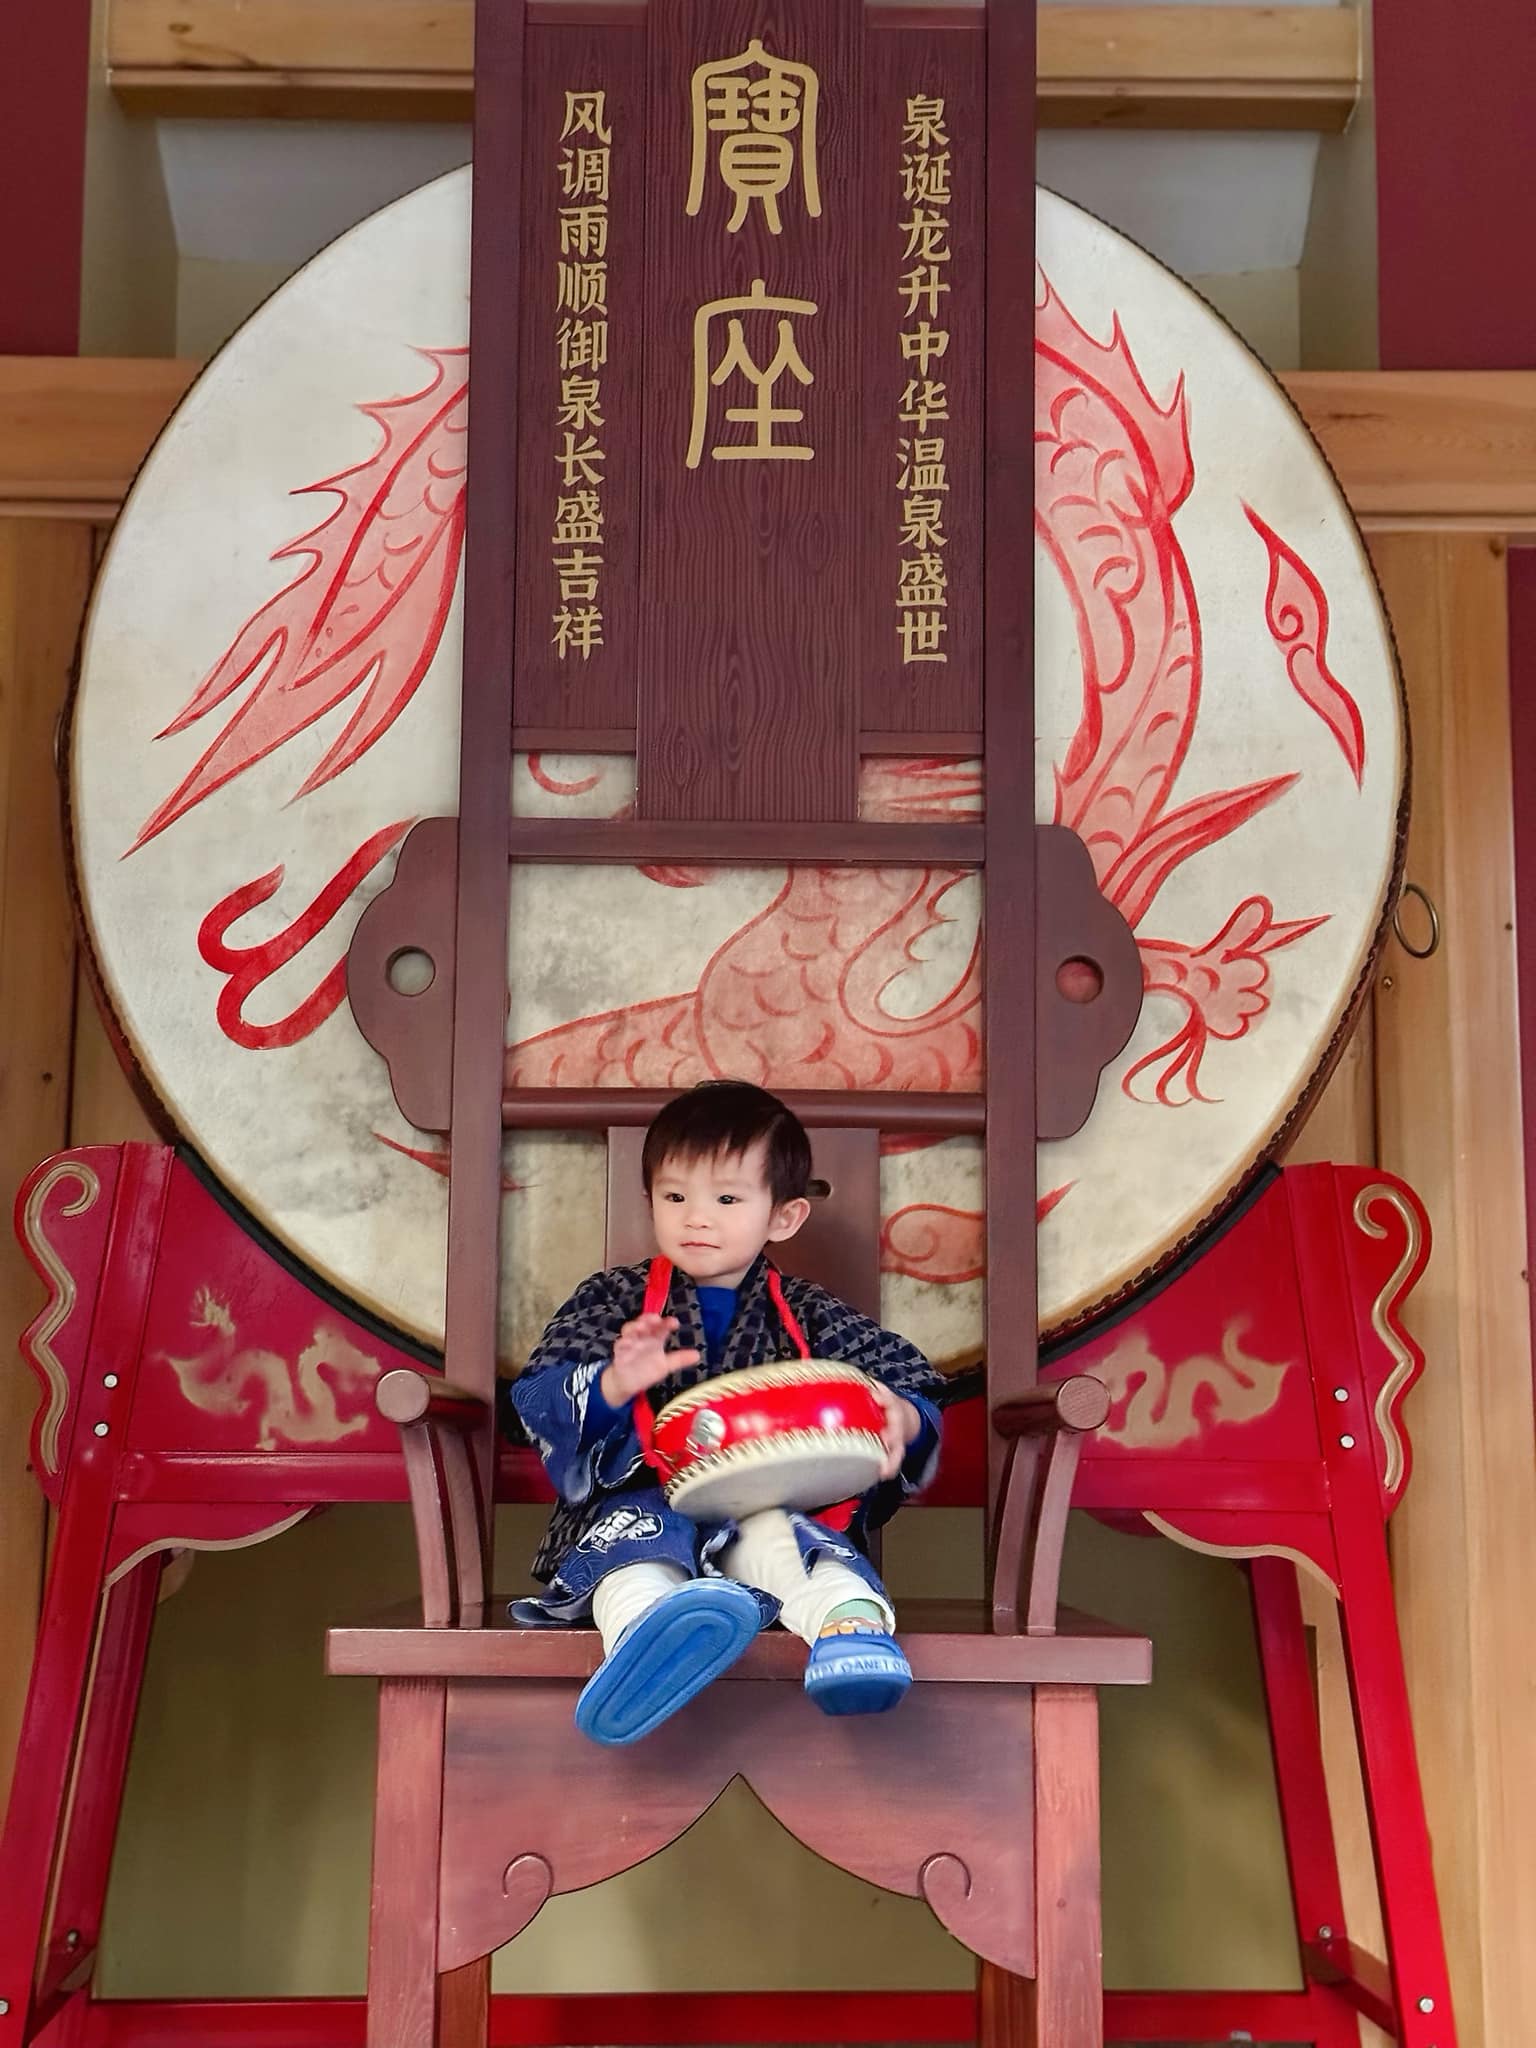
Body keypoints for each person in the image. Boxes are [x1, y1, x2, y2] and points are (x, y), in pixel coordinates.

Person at [504, 1080, 945, 1746]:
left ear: (783, 1217)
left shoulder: (810, 1312)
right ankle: (647, 1644)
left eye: (727, 1199)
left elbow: (905, 1377)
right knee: (635, 1561)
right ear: (651, 1201)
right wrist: (615, 1383)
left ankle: (849, 1630)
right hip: (644, 1499)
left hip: (766, 1502)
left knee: (793, 1547)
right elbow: (536, 1398)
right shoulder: (613, 1300)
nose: (697, 1218)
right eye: (675, 1197)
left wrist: (903, 1419)